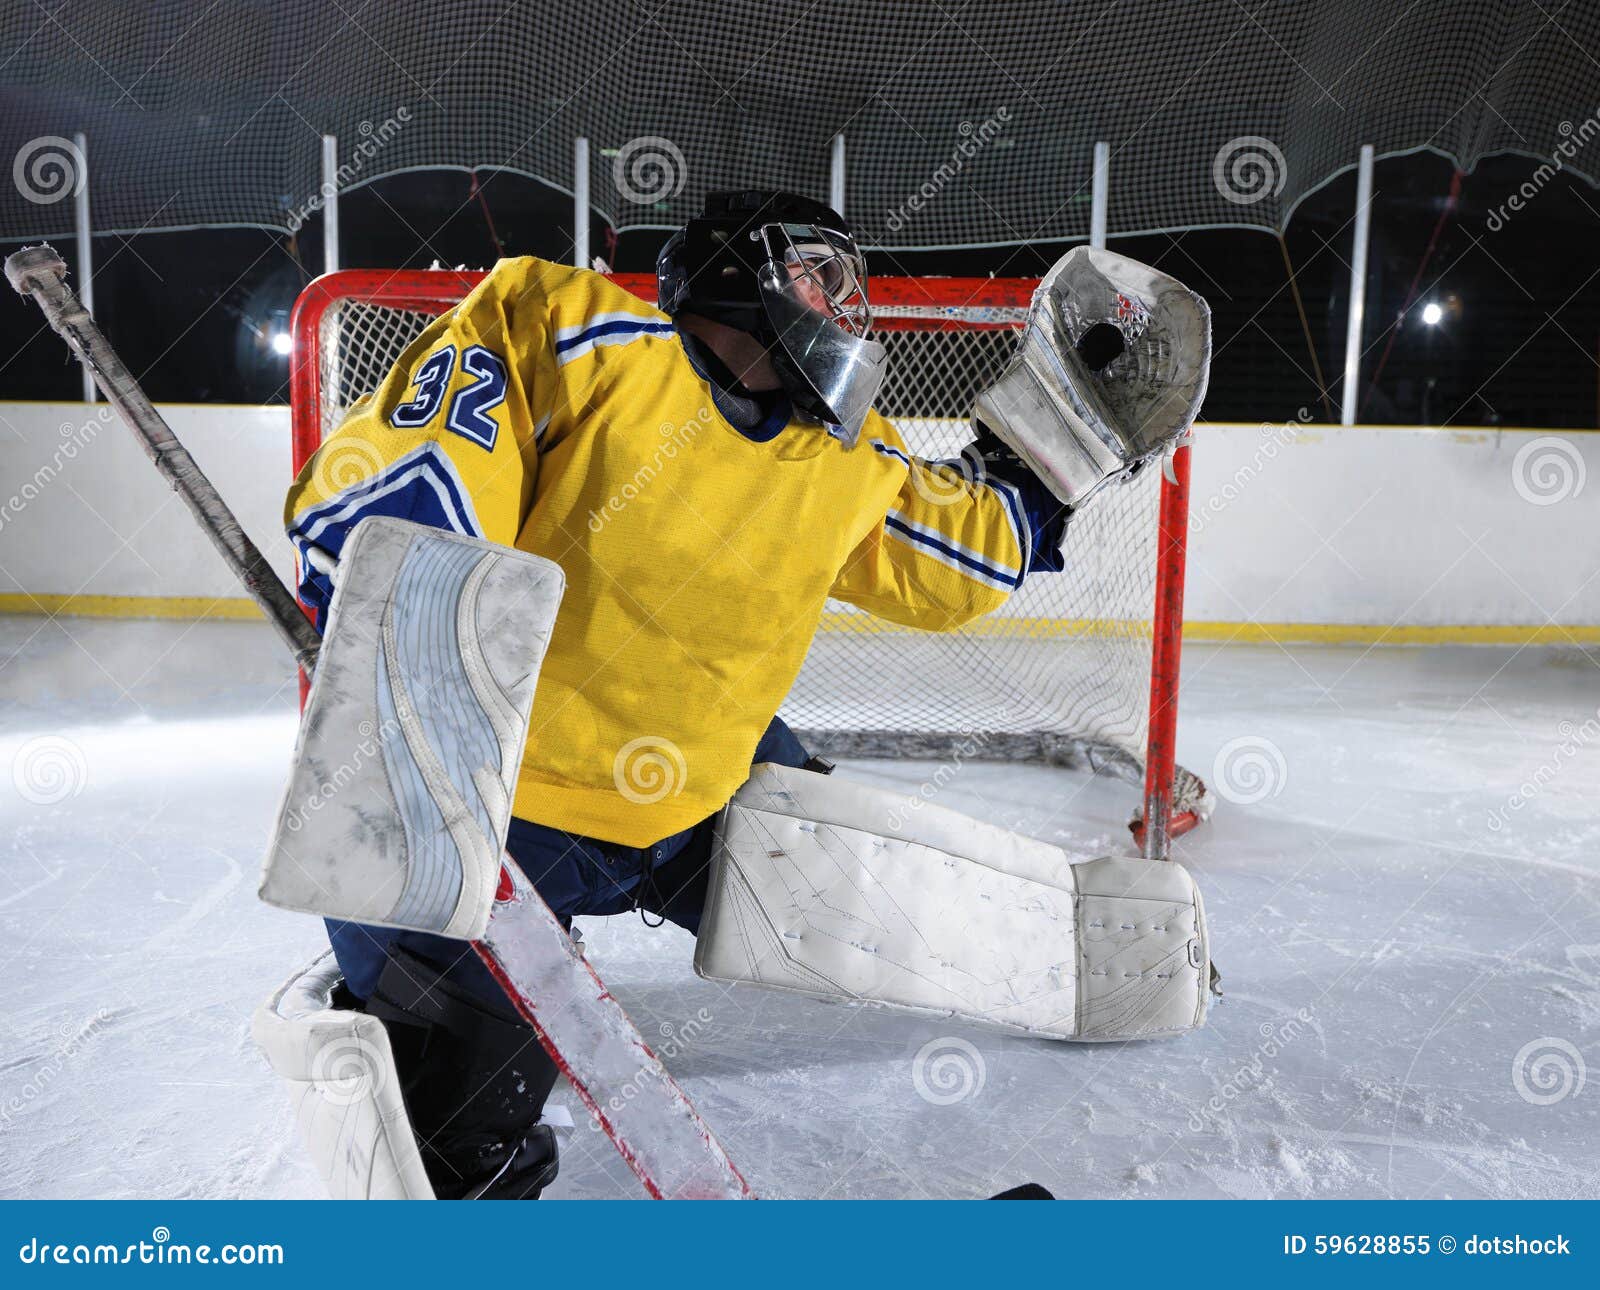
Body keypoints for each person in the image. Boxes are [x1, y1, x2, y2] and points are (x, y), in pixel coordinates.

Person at [283, 189, 1069, 1198]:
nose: (844, 305)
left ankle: (1050, 953)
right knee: (453, 1130)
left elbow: (950, 560)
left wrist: (1057, 449)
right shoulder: (579, 335)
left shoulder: (842, 449)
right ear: (739, 271)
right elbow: (414, 477)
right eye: (821, 273)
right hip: (486, 809)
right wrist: (403, 603)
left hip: (695, 792)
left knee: (861, 884)